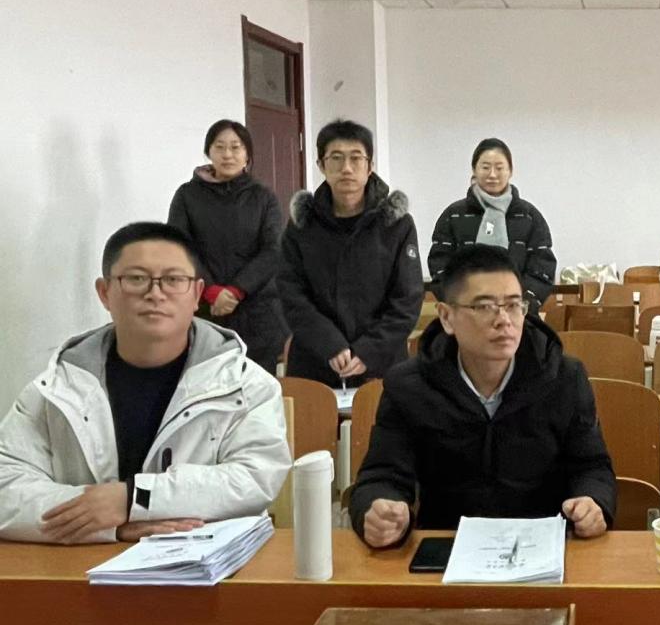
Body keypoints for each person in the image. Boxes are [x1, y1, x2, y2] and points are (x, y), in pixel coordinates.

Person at [0, 222, 291, 544]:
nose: (155, 293)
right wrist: (111, 528)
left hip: (207, 562)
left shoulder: (246, 385)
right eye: (136, 279)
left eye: (173, 280)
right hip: (79, 565)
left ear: (196, 294)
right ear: (105, 293)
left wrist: (133, 500)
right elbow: (6, 487)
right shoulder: (56, 388)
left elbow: (253, 479)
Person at [350, 245, 616, 548]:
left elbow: (592, 467)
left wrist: (594, 502)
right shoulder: (410, 386)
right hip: (447, 545)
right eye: (485, 306)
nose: (504, 320)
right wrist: (379, 509)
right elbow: (381, 476)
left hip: (543, 546)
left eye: (513, 305)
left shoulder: (564, 378)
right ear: (447, 317)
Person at [279, 119, 424, 387]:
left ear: (370, 166)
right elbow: (291, 294)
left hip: (382, 362)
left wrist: (369, 350)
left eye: (356, 158)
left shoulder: (396, 224)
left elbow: (407, 299)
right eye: (336, 158)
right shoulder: (302, 225)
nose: (346, 168)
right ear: (321, 165)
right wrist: (329, 343)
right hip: (315, 359)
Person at [167, 119, 287, 373]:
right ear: (208, 152)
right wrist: (211, 291)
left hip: (257, 312)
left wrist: (236, 290)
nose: (228, 154)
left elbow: (273, 249)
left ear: (247, 155)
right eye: (219, 147)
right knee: (206, 383)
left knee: (256, 386)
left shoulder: (263, 197)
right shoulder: (187, 195)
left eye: (235, 147)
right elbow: (179, 248)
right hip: (204, 309)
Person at [428, 138, 556, 310]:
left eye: (499, 168)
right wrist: (460, 304)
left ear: (510, 171)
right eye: (486, 167)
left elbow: (543, 268)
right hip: (466, 313)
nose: (493, 174)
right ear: (474, 170)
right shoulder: (453, 215)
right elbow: (440, 266)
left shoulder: (529, 216)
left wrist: (520, 304)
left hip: (518, 314)